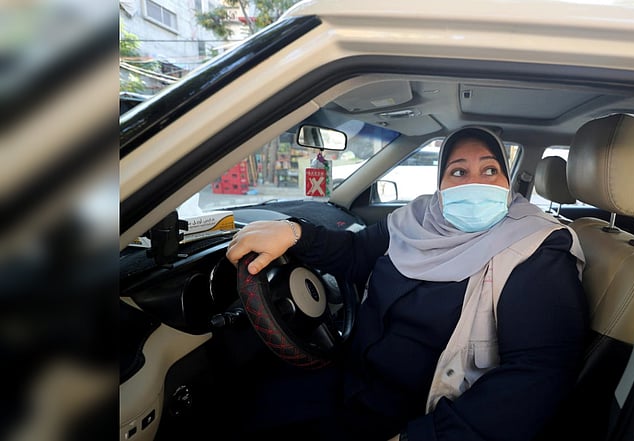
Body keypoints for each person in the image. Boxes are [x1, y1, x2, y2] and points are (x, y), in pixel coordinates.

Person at [226, 126, 588, 441]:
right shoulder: (417, 217)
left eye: (490, 170)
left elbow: (536, 374)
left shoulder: (536, 248)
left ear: (508, 183)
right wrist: (293, 233)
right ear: (441, 184)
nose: (475, 183)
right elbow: (355, 253)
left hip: (417, 416)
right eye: (458, 171)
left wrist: (423, 437)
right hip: (350, 379)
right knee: (241, 412)